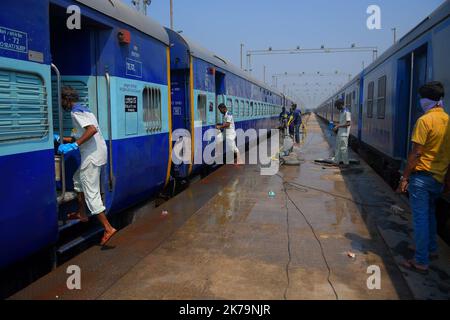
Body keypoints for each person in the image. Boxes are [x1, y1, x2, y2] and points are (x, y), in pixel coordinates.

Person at [397, 81, 450, 274]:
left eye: (421, 98)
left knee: (420, 218)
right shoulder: (447, 120)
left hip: (421, 177)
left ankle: (420, 260)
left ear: (427, 100)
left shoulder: (425, 121)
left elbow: (416, 154)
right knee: (430, 214)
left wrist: (404, 178)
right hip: (438, 177)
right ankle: (432, 249)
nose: (420, 101)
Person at [55, 86, 117, 246]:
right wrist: (61, 139)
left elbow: (92, 130)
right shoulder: (85, 110)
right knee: (78, 180)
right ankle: (82, 214)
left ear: (67, 99)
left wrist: (74, 145)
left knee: (91, 192)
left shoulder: (76, 111)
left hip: (92, 156)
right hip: (95, 153)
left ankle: (108, 228)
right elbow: (81, 134)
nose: (60, 103)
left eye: (61, 99)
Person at [332, 99, 351, 167]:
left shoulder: (347, 112)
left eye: (337, 106)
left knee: (343, 148)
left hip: (344, 133)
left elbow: (348, 123)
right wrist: (336, 124)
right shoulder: (341, 112)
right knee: (337, 147)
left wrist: (338, 126)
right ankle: (336, 161)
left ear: (340, 105)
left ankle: (346, 163)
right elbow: (342, 122)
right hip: (340, 132)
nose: (337, 108)